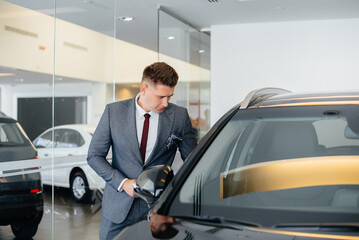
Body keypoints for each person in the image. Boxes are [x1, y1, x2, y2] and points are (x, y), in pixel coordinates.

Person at [87, 62, 197, 240]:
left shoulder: (179, 116)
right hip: (118, 207)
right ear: (144, 89)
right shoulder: (113, 112)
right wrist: (123, 183)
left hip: (158, 211)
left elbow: (193, 161)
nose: (166, 103)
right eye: (161, 96)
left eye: (169, 96)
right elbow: (94, 156)